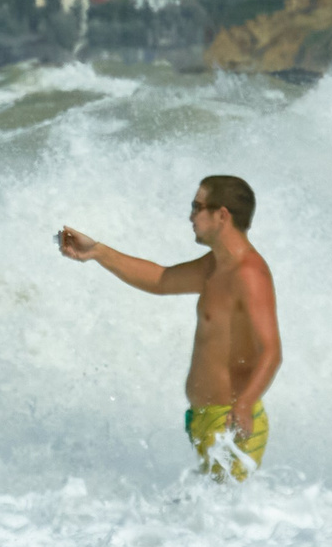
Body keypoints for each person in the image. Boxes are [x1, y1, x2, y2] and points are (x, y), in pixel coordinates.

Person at [58, 175, 282, 480]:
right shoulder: (215, 265)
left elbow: (271, 351)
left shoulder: (249, 274)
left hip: (233, 422)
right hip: (206, 420)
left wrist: (243, 404)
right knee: (211, 507)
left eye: (197, 207)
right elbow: (161, 280)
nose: (191, 216)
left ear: (222, 215)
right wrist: (98, 251)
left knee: (226, 507)